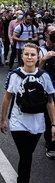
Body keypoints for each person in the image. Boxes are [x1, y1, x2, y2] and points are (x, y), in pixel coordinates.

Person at [1, 43, 55, 183]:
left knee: (27, 154)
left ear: (38, 57)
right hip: (18, 122)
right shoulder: (14, 75)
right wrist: (3, 120)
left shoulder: (44, 76)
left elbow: (50, 100)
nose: (29, 57)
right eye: (26, 54)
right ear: (22, 56)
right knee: (26, 154)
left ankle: (21, 180)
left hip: (38, 124)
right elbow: (7, 98)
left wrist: (54, 124)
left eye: (33, 54)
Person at [38, 25, 55, 158]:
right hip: (47, 89)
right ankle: (50, 144)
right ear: (46, 34)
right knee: (49, 117)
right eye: (52, 33)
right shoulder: (41, 49)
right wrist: (44, 59)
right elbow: (35, 69)